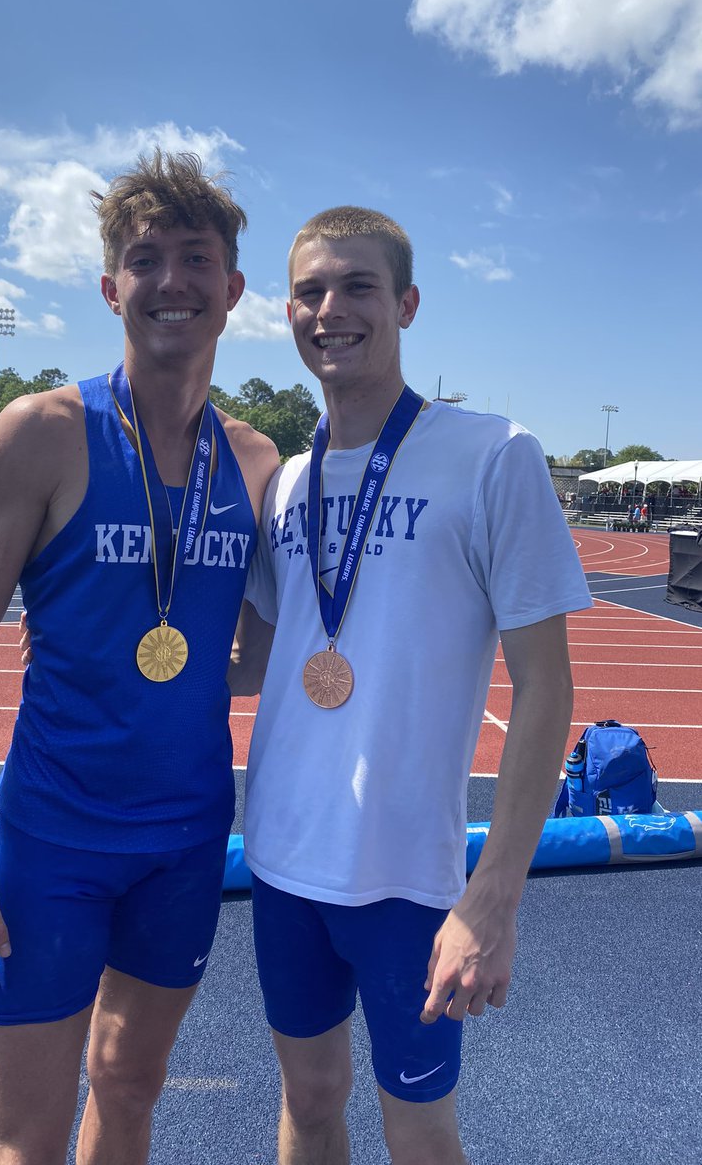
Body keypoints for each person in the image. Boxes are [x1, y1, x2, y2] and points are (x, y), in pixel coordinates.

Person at [0, 151, 277, 1165]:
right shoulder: (43, 433)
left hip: (186, 842)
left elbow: (254, 656)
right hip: (56, 841)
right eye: (144, 259)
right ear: (111, 286)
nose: (171, 281)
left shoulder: (254, 462)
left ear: (232, 288)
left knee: (129, 1091)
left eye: (195, 258)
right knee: (25, 1139)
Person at [231, 207, 593, 1164]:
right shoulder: (288, 482)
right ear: (287, 311)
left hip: (408, 881)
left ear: (407, 304)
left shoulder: (492, 455)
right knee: (309, 1099)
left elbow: (546, 689)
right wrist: (105, 651)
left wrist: (493, 898)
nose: (331, 310)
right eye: (310, 291)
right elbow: (255, 664)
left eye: (358, 286)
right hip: (282, 859)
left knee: (421, 1132)